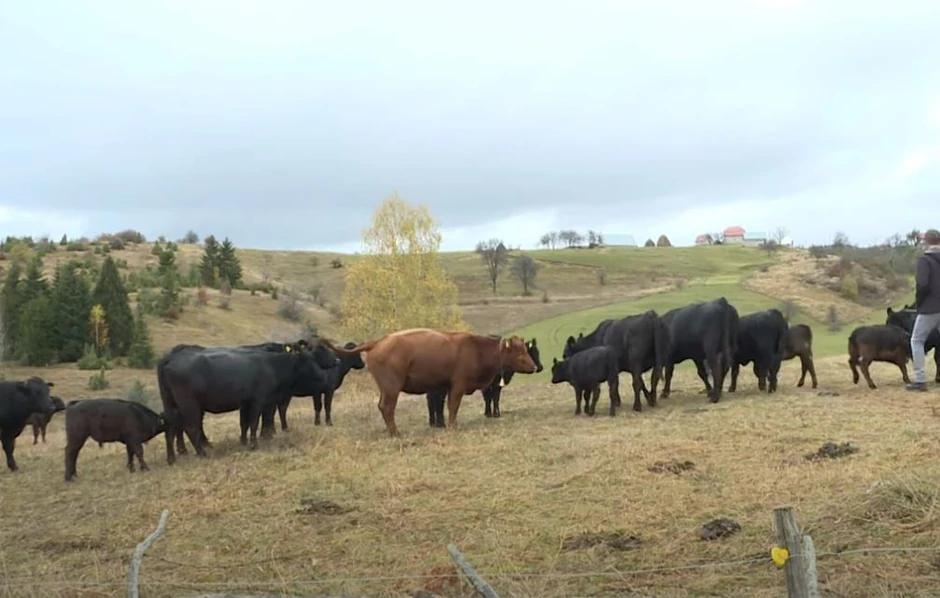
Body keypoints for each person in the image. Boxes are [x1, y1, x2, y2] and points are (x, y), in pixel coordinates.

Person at [907, 229, 940, 391]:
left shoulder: (924, 260)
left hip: (930, 307)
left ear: (926, 242)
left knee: (917, 340)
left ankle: (920, 380)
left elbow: (923, 285)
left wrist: (919, 303)